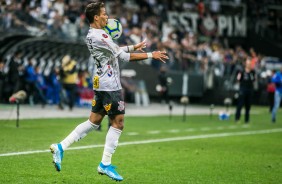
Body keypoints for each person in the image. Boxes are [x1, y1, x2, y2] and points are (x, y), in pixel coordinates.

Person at [49, 1, 168, 182]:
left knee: (94, 122)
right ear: (96, 17)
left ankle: (61, 146)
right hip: (110, 86)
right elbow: (123, 57)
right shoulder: (102, 36)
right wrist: (152, 55)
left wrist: (133, 47)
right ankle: (105, 164)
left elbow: (114, 51)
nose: (107, 16)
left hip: (101, 83)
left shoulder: (92, 34)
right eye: (104, 13)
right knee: (118, 123)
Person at [235, 59, 256, 123]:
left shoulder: (252, 72)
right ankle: (237, 118)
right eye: (247, 63)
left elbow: (253, 80)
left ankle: (247, 119)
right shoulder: (241, 71)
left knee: (248, 105)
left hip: (249, 89)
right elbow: (238, 79)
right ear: (245, 64)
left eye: (249, 64)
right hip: (243, 89)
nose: (248, 65)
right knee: (240, 104)